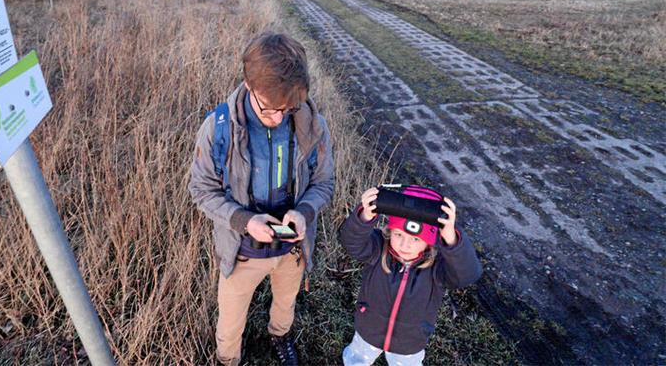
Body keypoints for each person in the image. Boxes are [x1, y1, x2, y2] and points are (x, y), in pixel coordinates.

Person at [189, 33, 335, 366]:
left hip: (292, 249)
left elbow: (324, 182)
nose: (280, 118)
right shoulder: (219, 129)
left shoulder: (312, 125)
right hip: (242, 252)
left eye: (289, 109)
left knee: (286, 302)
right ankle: (228, 359)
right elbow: (201, 190)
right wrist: (244, 221)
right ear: (249, 85)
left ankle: (280, 335)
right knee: (230, 320)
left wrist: (304, 211)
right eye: (271, 110)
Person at [338, 186, 483, 366]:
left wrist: (452, 239)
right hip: (369, 329)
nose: (405, 245)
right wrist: (364, 216)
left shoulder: (437, 269)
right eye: (398, 234)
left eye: (415, 239)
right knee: (358, 358)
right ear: (390, 231)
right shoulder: (377, 249)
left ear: (430, 243)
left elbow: (468, 274)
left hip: (409, 343)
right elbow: (350, 242)